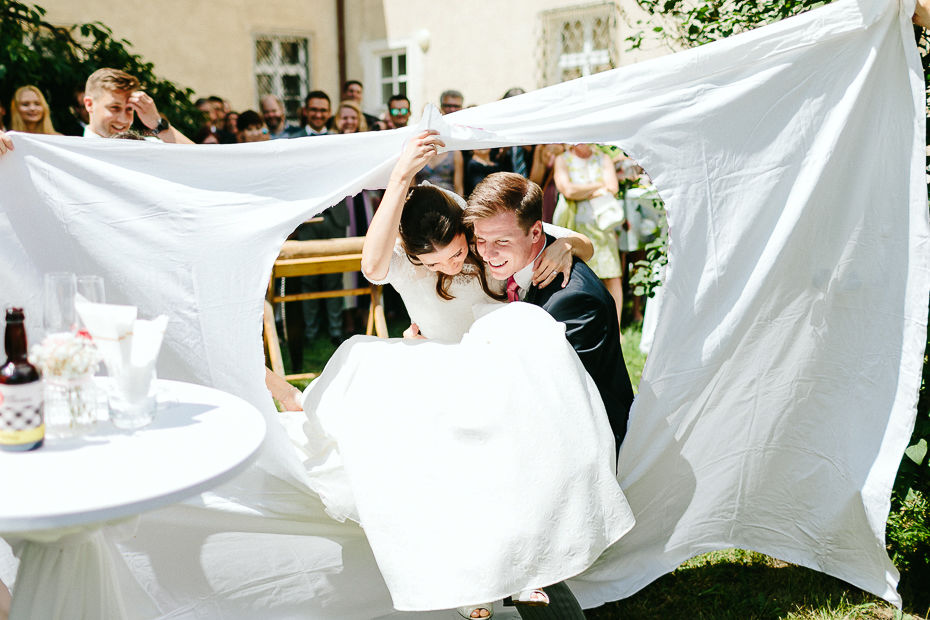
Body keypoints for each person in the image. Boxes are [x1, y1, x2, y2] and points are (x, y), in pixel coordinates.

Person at [552, 143, 624, 331]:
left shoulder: (603, 158)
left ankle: (615, 327)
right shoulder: (562, 159)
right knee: (580, 275)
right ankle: (588, 325)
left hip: (603, 226)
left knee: (612, 275)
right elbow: (568, 190)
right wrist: (599, 186)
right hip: (575, 228)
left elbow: (613, 187)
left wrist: (581, 191)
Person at [82, 68, 192, 143]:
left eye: (129, 109)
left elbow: (198, 160)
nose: (123, 120)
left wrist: (157, 123)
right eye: (115, 108)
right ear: (89, 104)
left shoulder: (146, 146)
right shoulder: (76, 154)